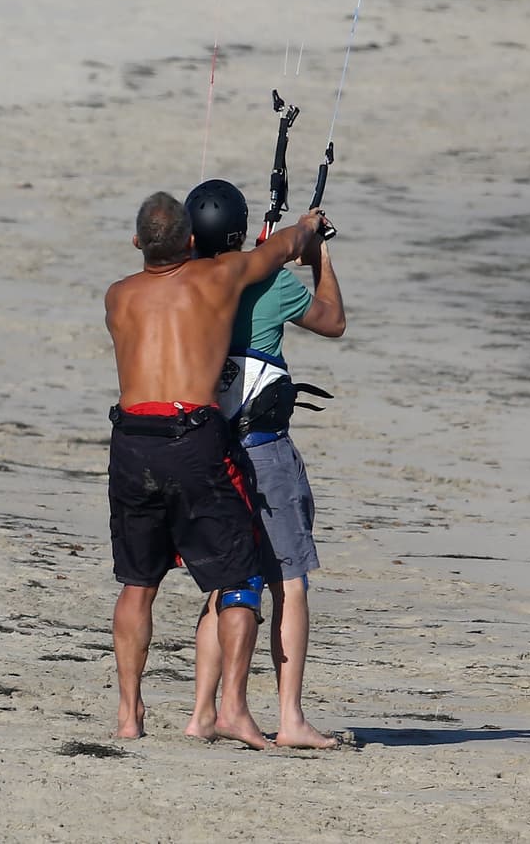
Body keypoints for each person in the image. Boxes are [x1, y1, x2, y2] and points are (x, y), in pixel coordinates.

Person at [105, 190, 324, 746]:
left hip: (131, 440)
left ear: (137, 243)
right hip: (190, 437)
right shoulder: (218, 278)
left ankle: (130, 716)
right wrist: (305, 230)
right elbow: (281, 251)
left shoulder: (117, 295)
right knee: (241, 576)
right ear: (189, 242)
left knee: (137, 584)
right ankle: (232, 709)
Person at [178, 179, 346, 750]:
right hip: (264, 449)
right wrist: (318, 250)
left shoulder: (187, 282)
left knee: (225, 584)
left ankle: (202, 713)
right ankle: (291, 717)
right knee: (289, 581)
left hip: (207, 449)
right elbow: (333, 321)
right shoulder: (270, 282)